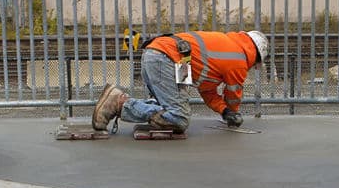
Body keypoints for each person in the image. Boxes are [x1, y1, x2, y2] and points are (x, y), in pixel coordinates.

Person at [91, 30, 268, 134]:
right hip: (166, 59)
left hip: (160, 55)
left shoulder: (227, 46)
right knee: (179, 119)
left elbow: (208, 92)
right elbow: (233, 94)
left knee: (166, 108)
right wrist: (233, 112)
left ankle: (117, 103)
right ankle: (120, 103)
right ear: (256, 56)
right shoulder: (239, 58)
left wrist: (224, 111)